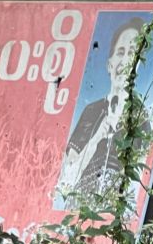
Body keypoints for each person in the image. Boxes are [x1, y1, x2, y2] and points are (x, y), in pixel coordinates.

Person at [55, 17, 147, 207]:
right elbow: (66, 173)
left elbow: (141, 177)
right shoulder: (92, 110)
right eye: (120, 52)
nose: (125, 60)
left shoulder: (141, 116)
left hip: (114, 211)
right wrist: (97, 137)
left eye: (132, 53)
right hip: (80, 205)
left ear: (137, 67)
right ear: (110, 64)